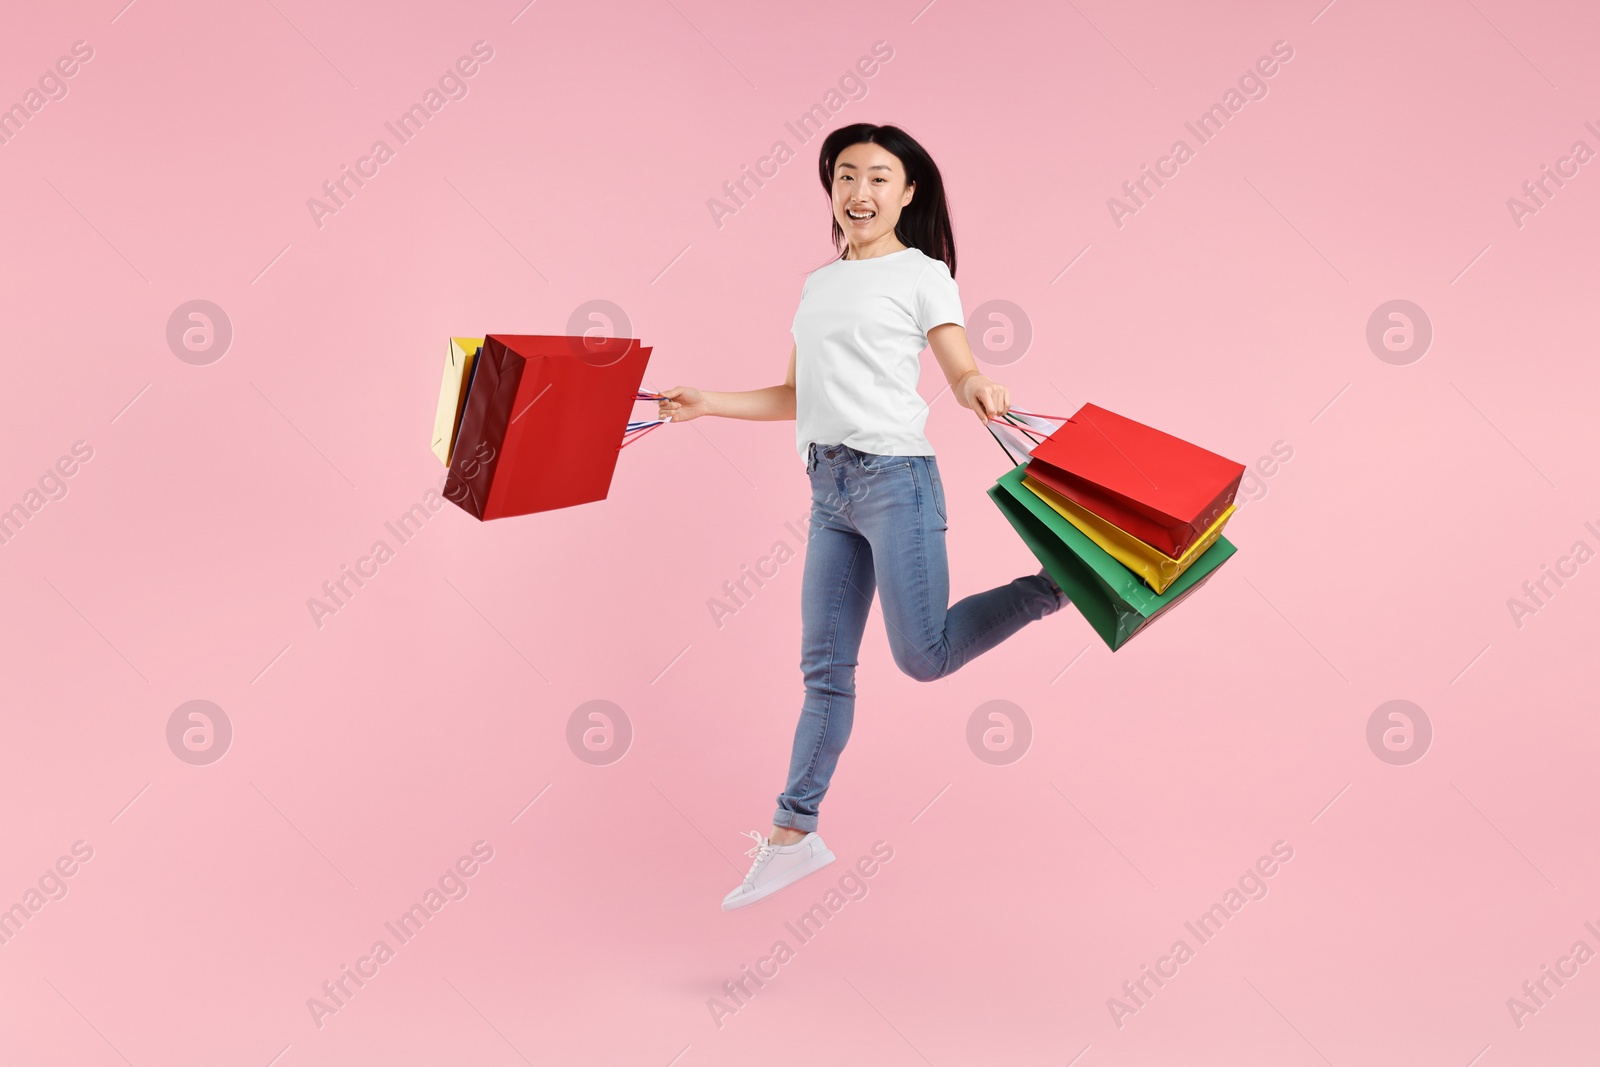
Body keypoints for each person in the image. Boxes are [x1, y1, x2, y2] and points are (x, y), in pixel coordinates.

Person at [658, 123, 1070, 911]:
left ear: (908, 192)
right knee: (824, 670)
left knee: (924, 657)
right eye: (846, 177)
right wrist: (707, 402)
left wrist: (979, 385)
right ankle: (793, 832)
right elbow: (794, 397)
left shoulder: (923, 275)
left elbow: (957, 363)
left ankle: (1055, 586)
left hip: (896, 482)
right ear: (831, 188)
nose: (861, 193)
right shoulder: (818, 284)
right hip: (829, 489)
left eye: (880, 179)